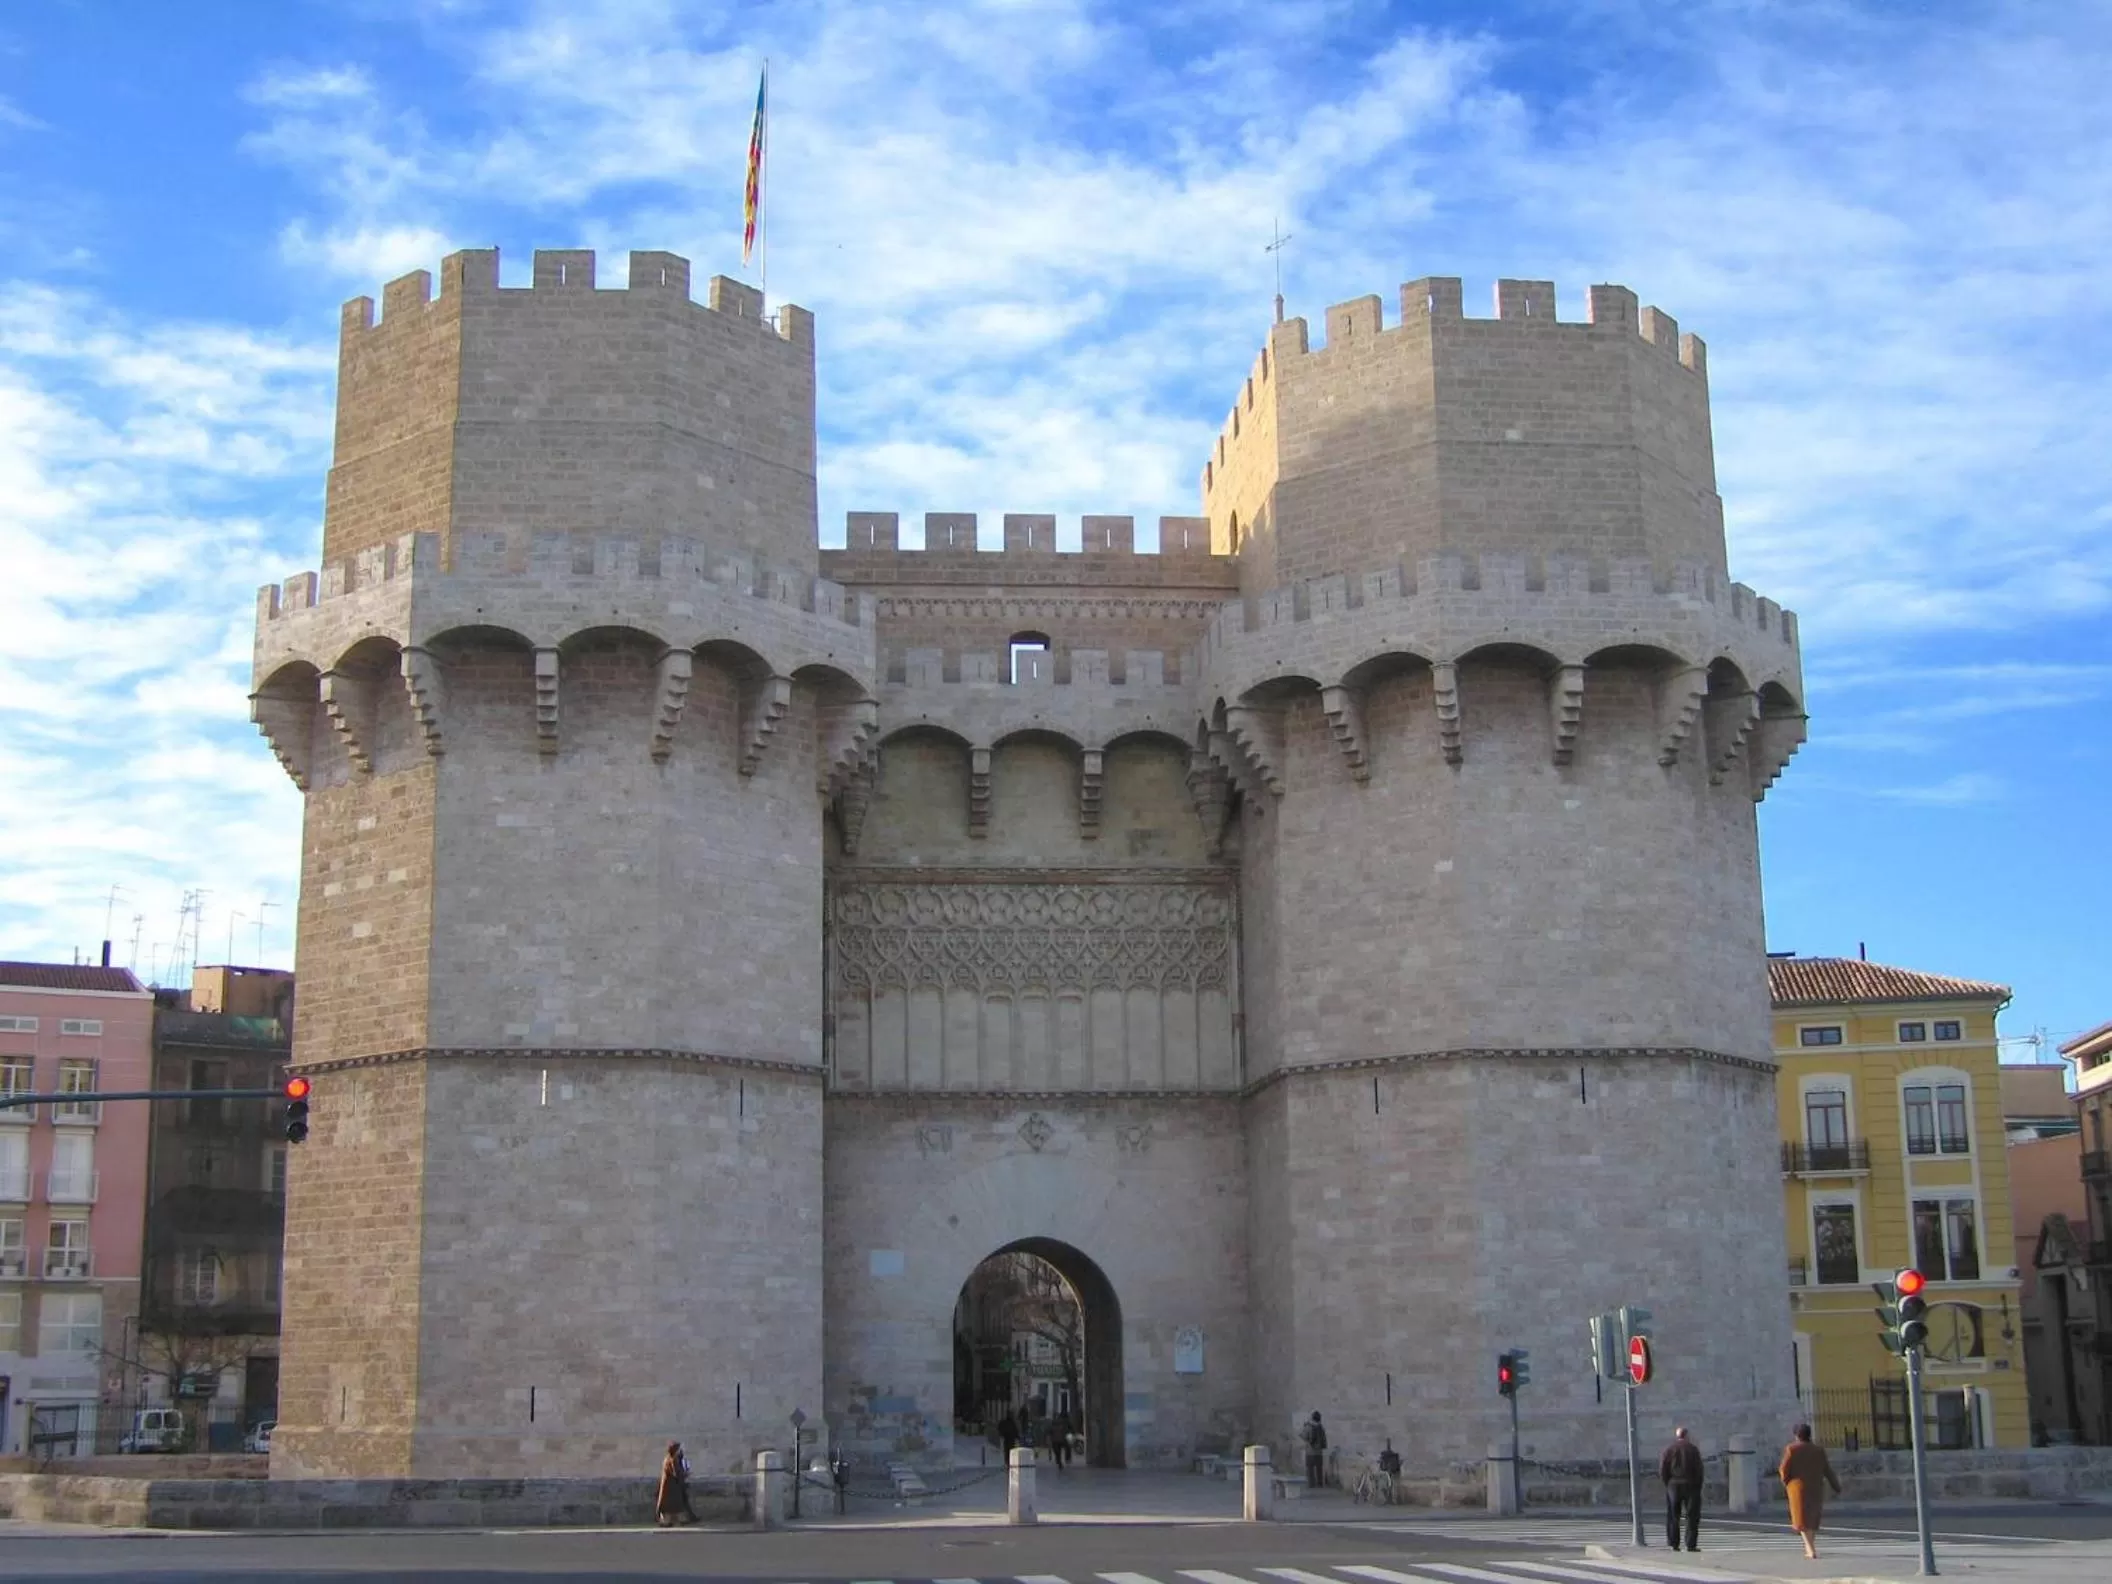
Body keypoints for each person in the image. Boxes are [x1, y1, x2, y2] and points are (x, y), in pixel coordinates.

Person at [1778, 1422, 1842, 1560]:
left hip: (1797, 1488)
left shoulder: (1791, 1449)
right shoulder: (1819, 1450)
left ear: (1796, 1435)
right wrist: (1836, 1486)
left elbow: (1783, 1470)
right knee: (1811, 1519)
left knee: (1801, 1520)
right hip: (1815, 1487)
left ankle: (1810, 1549)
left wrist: (1786, 1482)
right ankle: (1810, 1546)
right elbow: (1827, 1470)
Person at [1658, 1424, 1704, 1551]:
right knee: (1692, 1516)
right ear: (1687, 1436)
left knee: (1673, 1515)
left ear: (1677, 1436)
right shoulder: (1693, 1449)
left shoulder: (1669, 1449)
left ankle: (1674, 1543)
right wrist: (1698, 1485)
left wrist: (1667, 1483)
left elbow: (1663, 1469)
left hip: (1673, 1484)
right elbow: (1699, 1470)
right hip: (1690, 1485)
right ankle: (1690, 1544)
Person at [655, 1439, 698, 1527]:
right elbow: (676, 1473)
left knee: (672, 1506)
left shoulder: (669, 1459)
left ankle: (672, 1520)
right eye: (679, 1450)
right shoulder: (672, 1459)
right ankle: (668, 1521)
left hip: (671, 1487)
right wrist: (685, 1474)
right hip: (671, 1488)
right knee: (672, 1505)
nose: (681, 1452)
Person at [1300, 1410, 1328, 1489]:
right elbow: (1324, 1439)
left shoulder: (1308, 1426)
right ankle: (1319, 1483)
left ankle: (1311, 1484)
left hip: (1310, 1451)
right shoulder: (1321, 1427)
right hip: (1319, 1452)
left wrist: (1304, 1427)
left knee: (1310, 1468)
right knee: (1319, 1468)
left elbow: (1303, 1436)